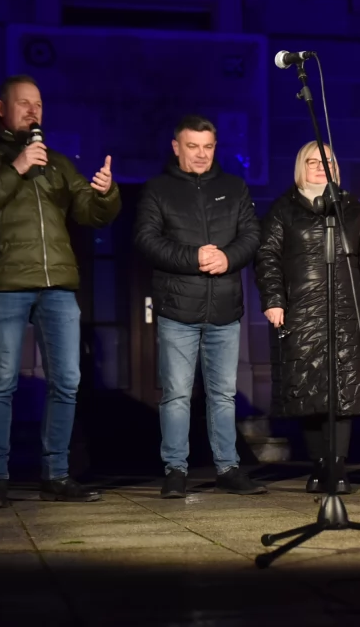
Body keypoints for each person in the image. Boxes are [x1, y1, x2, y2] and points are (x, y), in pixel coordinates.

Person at [0, 75, 122, 508]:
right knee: (1, 383)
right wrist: (16, 167)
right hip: (5, 282)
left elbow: (88, 211)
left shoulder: (57, 161)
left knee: (66, 380)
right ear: (0, 108)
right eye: (23, 103)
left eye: (38, 104)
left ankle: (57, 474)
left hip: (58, 284)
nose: (33, 111)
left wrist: (105, 193)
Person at [133, 115, 267, 499]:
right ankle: (175, 470)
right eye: (193, 146)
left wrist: (228, 258)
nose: (201, 154)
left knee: (223, 393)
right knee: (176, 393)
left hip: (225, 307)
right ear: (176, 147)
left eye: (208, 147)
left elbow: (251, 235)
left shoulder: (234, 186)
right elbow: (146, 240)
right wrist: (192, 256)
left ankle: (228, 468)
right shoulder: (158, 189)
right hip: (178, 308)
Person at [255, 141, 360, 494]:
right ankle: (318, 466)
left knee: (342, 395)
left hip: (345, 314)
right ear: (301, 166)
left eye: (326, 161)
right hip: (300, 314)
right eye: (312, 161)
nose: (318, 166)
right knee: (309, 394)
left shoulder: (351, 210)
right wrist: (273, 300)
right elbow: (267, 257)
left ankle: (339, 468)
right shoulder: (283, 209)